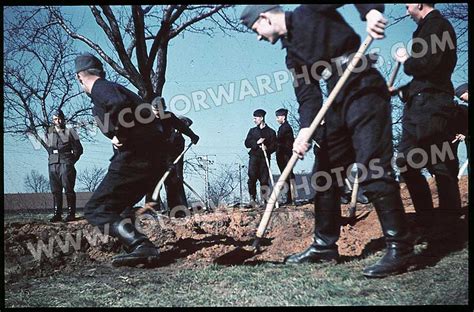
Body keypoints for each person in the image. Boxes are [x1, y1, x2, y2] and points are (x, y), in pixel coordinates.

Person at [241, 4, 413, 278]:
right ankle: (324, 245)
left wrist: (370, 12)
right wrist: (306, 130)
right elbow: (308, 96)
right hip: (337, 100)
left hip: (363, 88)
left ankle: (400, 247)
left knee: (372, 167)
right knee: (324, 172)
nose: (258, 37)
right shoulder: (292, 56)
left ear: (265, 17)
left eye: (255, 30)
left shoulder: (309, 11)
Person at [75, 52, 168, 267]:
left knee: (95, 210)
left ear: (80, 77)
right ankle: (133, 248)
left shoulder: (101, 87)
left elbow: (117, 103)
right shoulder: (113, 88)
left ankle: (140, 245)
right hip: (150, 159)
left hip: (135, 158)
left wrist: (120, 133)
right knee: (119, 206)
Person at [393, 3, 461, 232]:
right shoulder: (427, 28)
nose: (406, 12)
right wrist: (400, 91)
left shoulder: (438, 26)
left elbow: (427, 65)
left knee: (439, 161)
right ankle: (427, 219)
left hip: (432, 105)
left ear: (419, 4)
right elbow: (426, 75)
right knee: (407, 161)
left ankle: (449, 223)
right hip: (421, 103)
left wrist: (405, 60)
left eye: (407, 6)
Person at [146, 98, 199, 213]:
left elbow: (182, 127)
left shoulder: (169, 117)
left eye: (160, 111)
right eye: (155, 111)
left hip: (167, 153)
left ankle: (176, 210)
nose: (158, 114)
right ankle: (151, 210)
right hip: (152, 154)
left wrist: (193, 136)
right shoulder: (146, 118)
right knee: (152, 182)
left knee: (172, 180)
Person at [46, 109, 83, 222]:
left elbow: (79, 149)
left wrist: (70, 161)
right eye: (54, 119)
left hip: (65, 163)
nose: (57, 121)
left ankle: (71, 213)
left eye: (59, 118)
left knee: (68, 189)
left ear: (63, 119)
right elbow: (49, 148)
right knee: (55, 190)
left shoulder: (70, 132)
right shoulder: (49, 132)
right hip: (53, 164)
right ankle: (57, 214)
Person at [244, 109, 277, 206]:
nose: (254, 120)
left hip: (264, 158)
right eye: (253, 118)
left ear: (261, 118)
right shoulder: (252, 131)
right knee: (252, 178)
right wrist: (256, 143)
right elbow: (246, 143)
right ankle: (252, 199)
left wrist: (267, 148)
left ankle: (265, 200)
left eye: (256, 118)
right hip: (254, 157)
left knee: (264, 180)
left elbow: (275, 146)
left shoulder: (271, 132)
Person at [275, 108, 296, 205]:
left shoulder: (286, 128)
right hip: (282, 154)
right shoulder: (282, 127)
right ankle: (289, 198)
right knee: (286, 176)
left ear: (283, 117)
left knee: (288, 175)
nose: (277, 119)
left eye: (278, 117)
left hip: (286, 155)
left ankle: (291, 198)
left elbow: (283, 142)